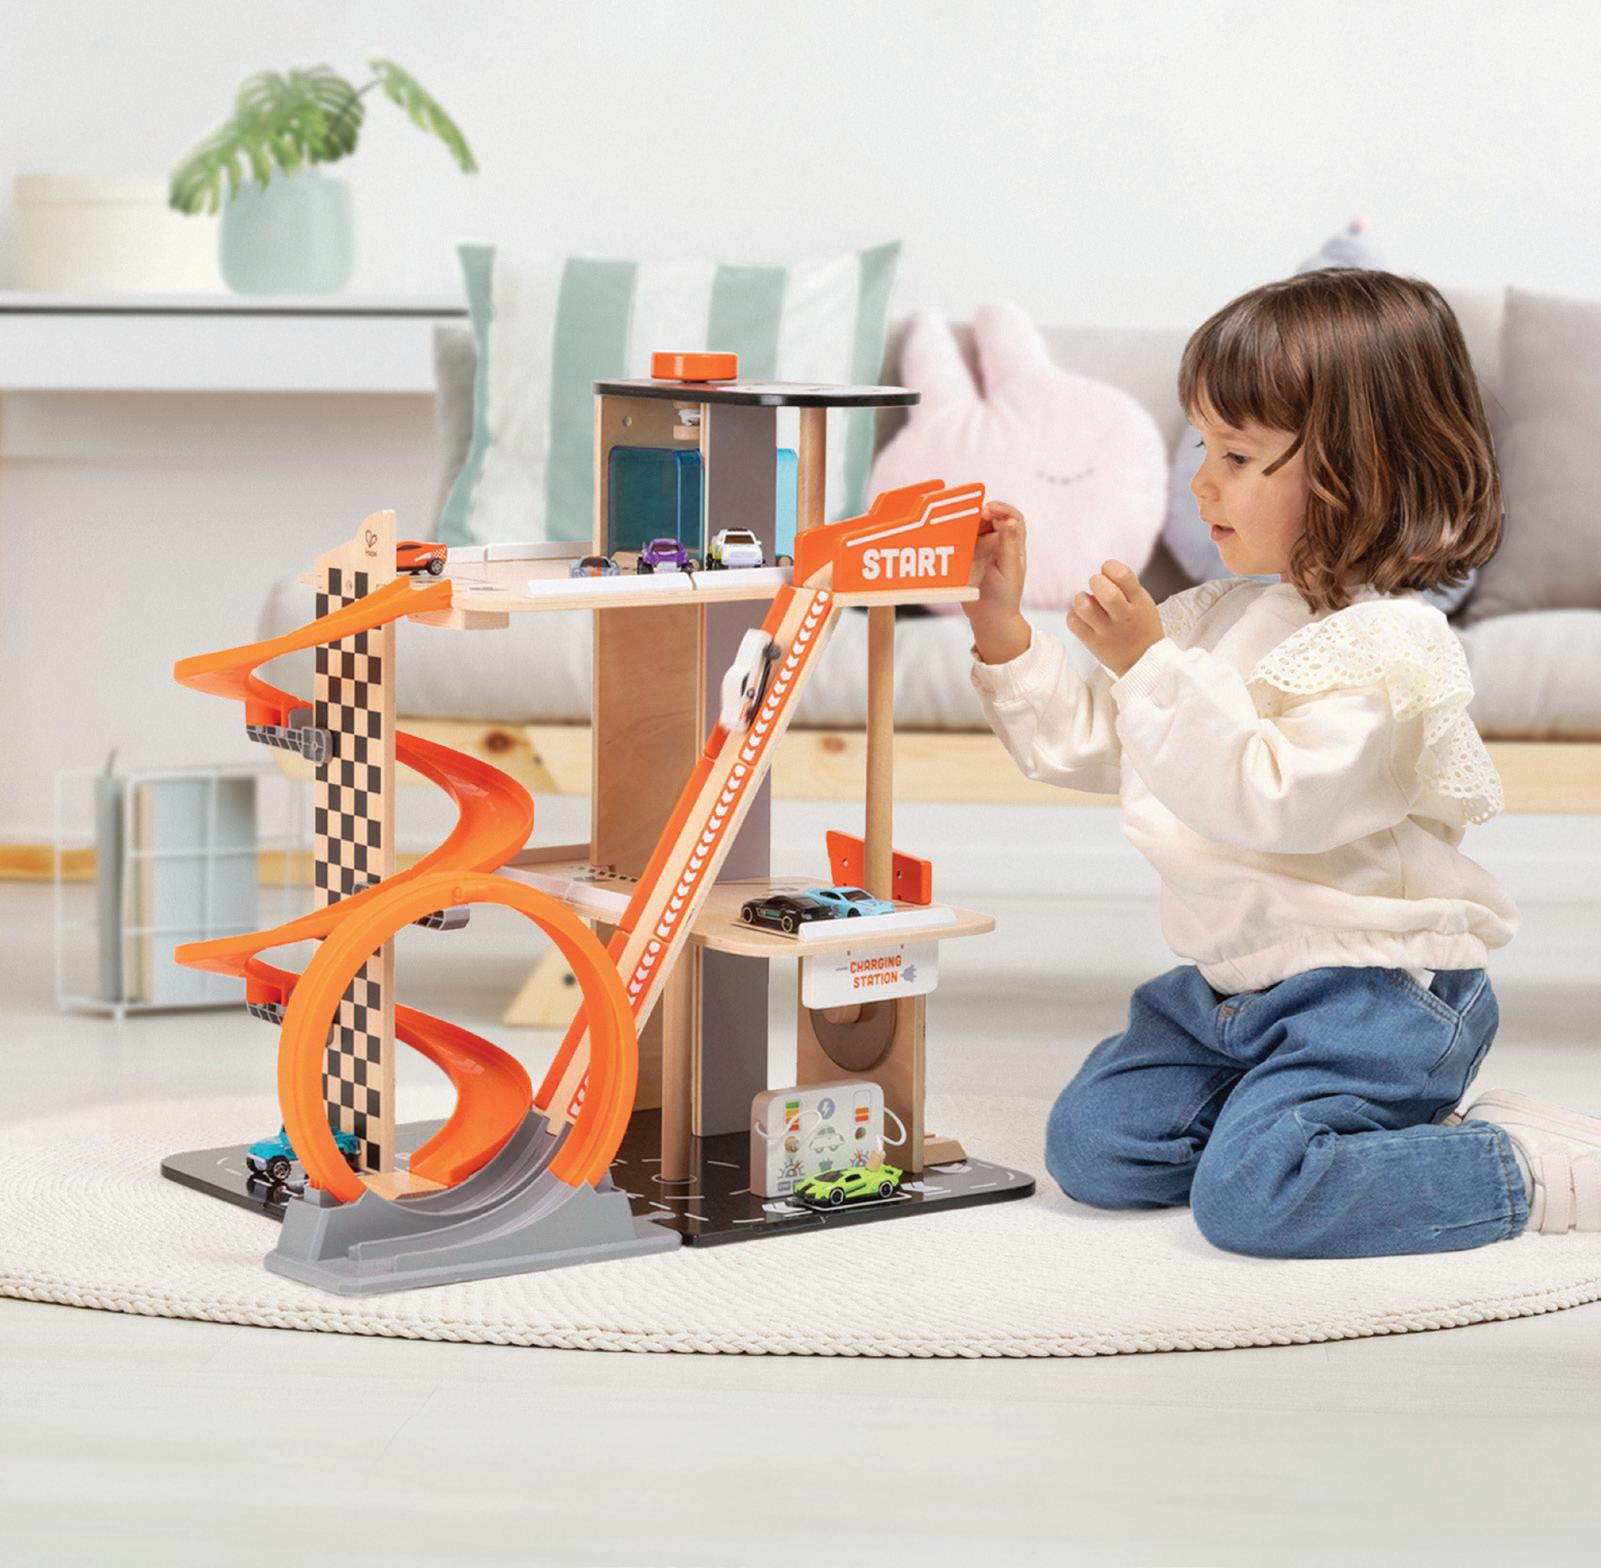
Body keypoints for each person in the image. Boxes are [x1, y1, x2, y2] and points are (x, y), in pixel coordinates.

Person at [965, 268, 1600, 1257]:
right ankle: (1322, 1129)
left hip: (1371, 993)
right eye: (1201, 447)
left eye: (1236, 455)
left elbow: (1271, 798)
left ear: (1355, 470)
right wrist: (1003, 630)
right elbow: (1100, 744)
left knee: (1255, 1201)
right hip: (1231, 992)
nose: (1200, 482)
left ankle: (1516, 1164)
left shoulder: (1390, 648)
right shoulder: (1220, 614)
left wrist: (1148, 665)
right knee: (1094, 1150)